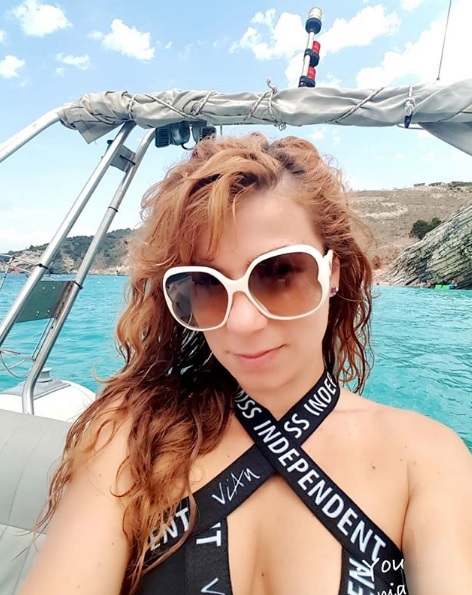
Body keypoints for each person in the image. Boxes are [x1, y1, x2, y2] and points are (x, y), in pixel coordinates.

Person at [19, 134, 472, 595]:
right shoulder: (134, 439)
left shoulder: (425, 460)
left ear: (331, 273)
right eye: (206, 283)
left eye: (278, 272)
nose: (243, 322)